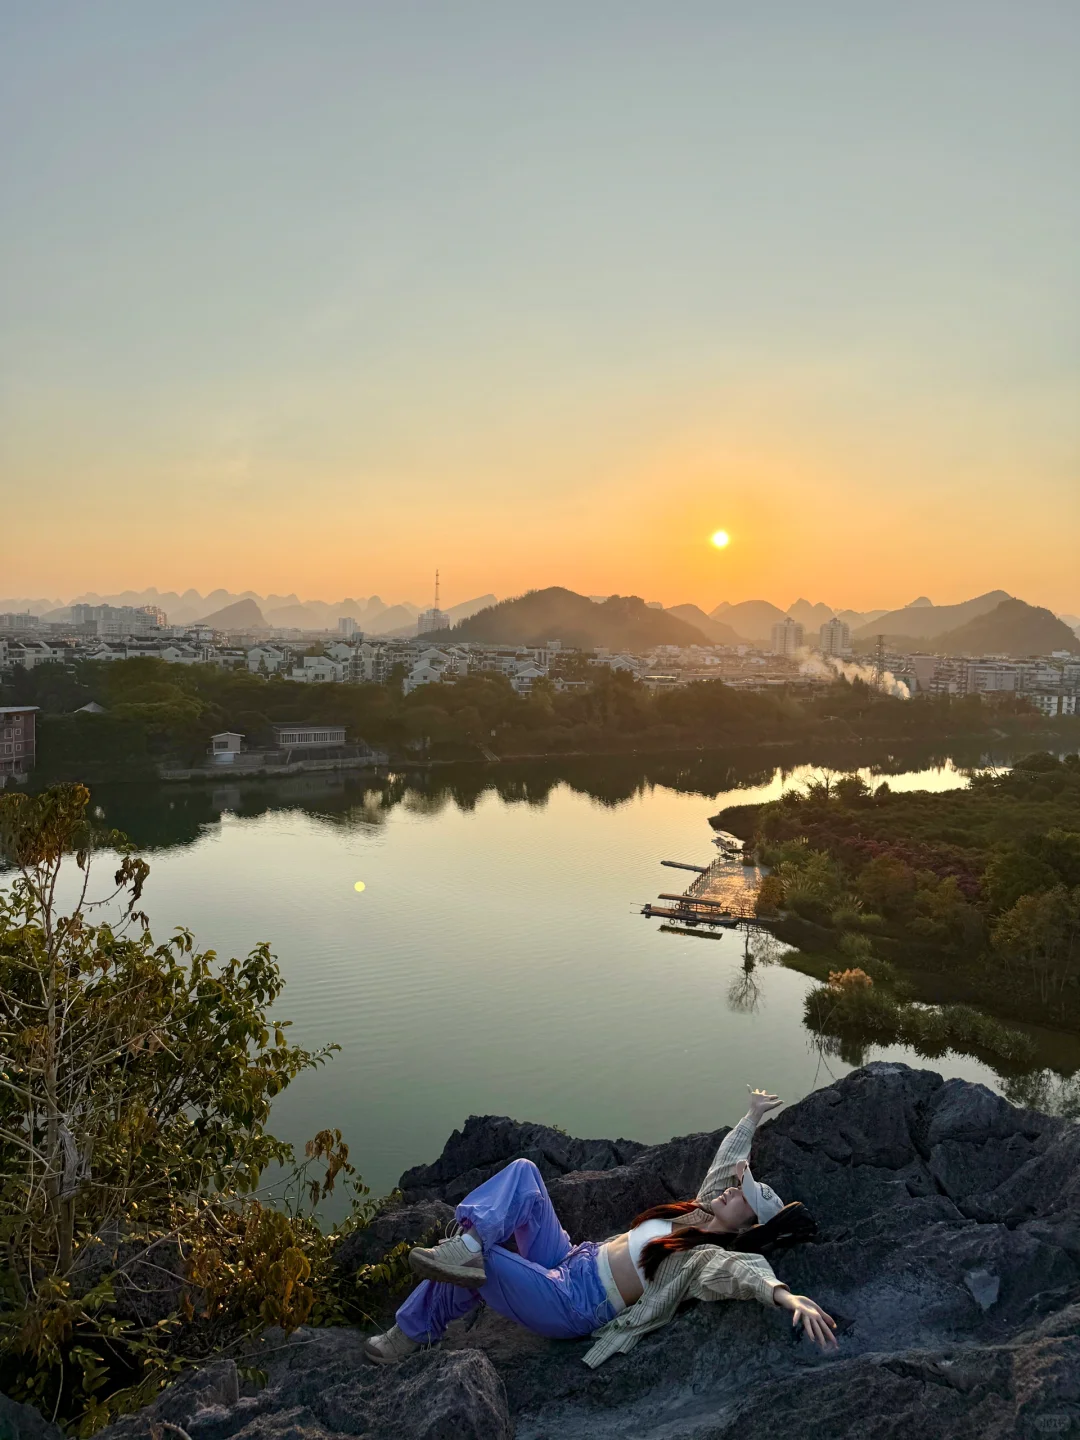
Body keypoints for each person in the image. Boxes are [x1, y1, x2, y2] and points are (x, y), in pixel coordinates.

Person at [364, 1087, 837, 1366]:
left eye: (743, 1199)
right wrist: (752, 1116)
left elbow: (744, 1274)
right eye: (739, 1188)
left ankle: (414, 1329)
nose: (733, 1190)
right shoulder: (699, 1213)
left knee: (481, 1263)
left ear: (745, 1228)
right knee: (527, 1171)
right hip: (569, 1260)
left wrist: (786, 1296)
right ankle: (466, 1240)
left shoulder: (705, 1258)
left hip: (571, 1305)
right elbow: (727, 1162)